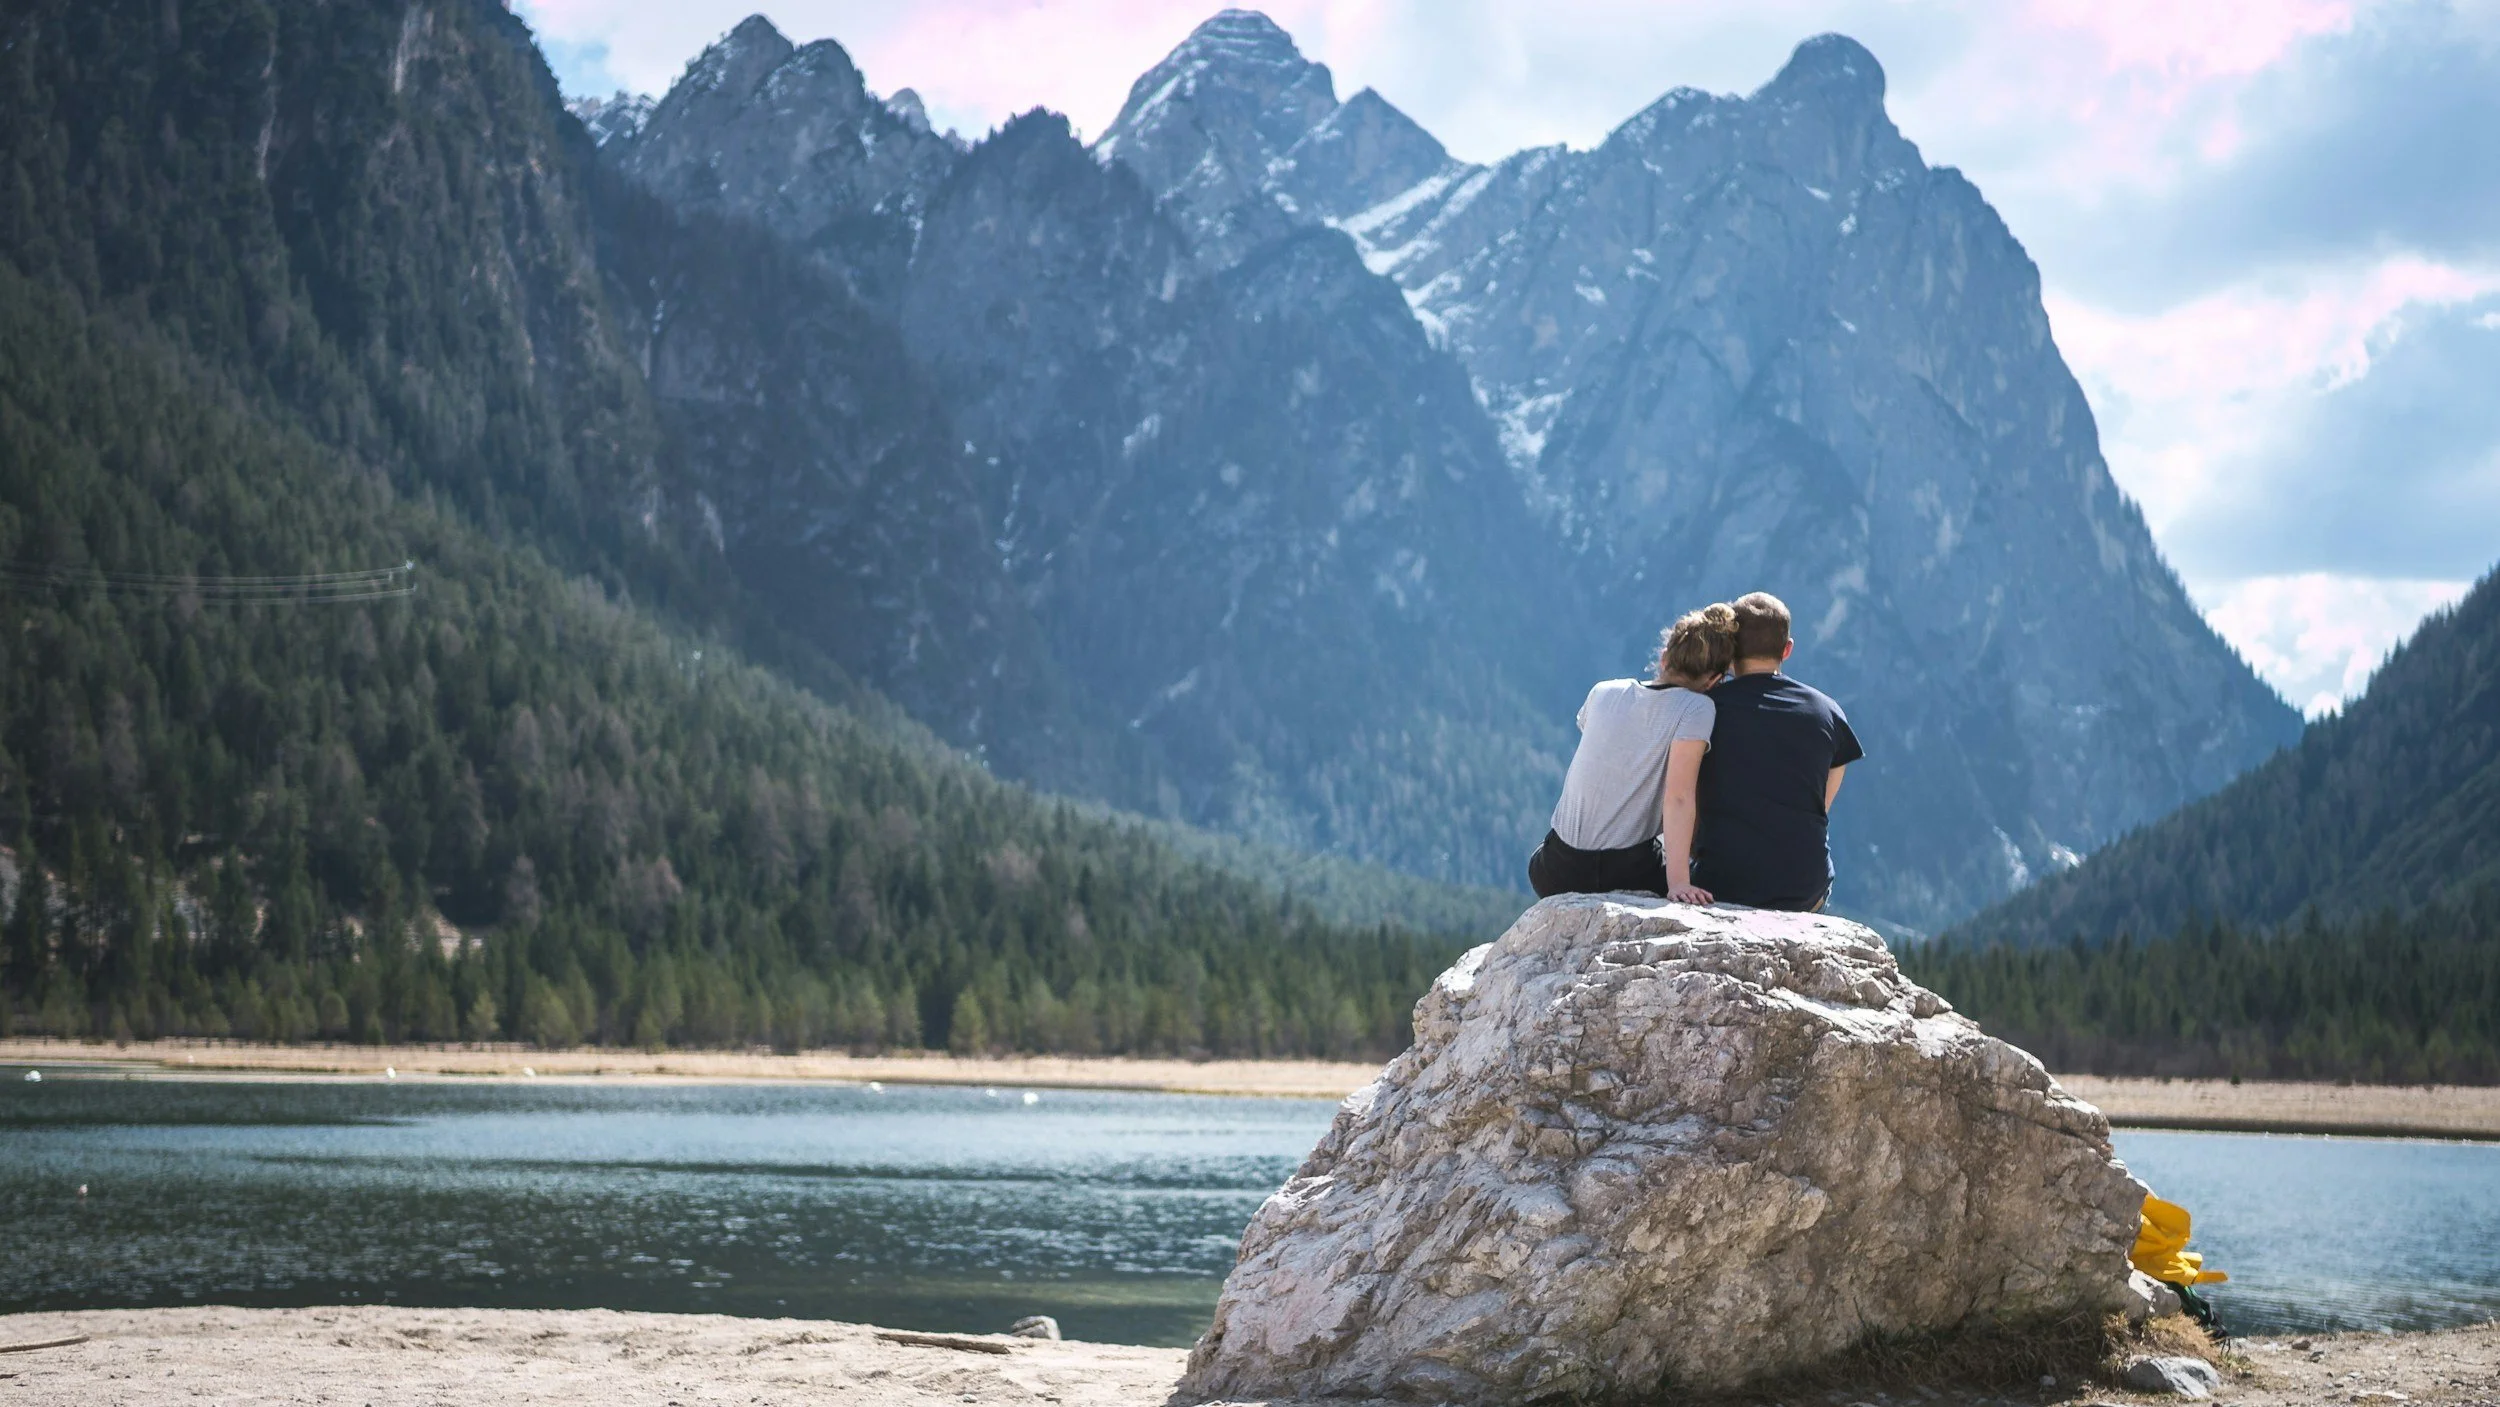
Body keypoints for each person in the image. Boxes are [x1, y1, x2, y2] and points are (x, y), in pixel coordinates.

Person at [1528, 604, 1738, 901]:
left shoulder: (1603, 691)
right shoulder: (1697, 708)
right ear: (1714, 681)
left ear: (1665, 658)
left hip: (1554, 869)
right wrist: (1678, 883)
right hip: (1625, 871)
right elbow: (1678, 796)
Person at [1690, 592, 1863, 911]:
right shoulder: (1827, 713)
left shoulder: (1703, 711)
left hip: (1721, 885)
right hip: (1804, 890)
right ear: (1787, 649)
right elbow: (1821, 802)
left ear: (1731, 650)